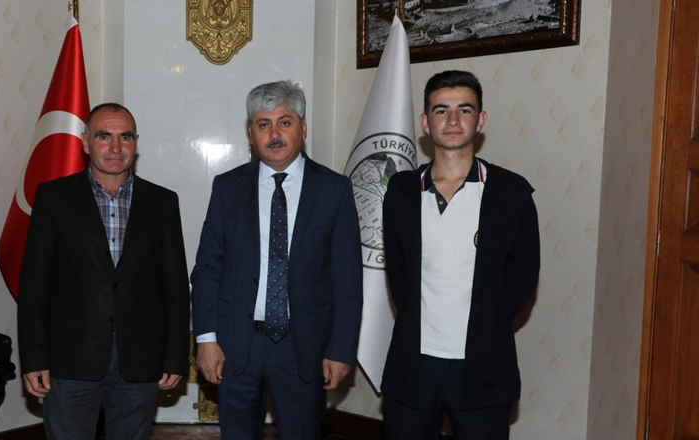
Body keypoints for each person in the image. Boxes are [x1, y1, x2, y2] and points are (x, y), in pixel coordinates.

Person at [190, 80, 363, 439]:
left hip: (304, 349)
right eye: (263, 124)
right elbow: (207, 268)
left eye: (284, 122)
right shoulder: (227, 188)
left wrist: (342, 350)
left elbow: (347, 279)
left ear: (303, 128)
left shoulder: (334, 190)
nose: (274, 134)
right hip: (237, 346)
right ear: (250, 133)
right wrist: (205, 339)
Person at [381, 70, 540, 439]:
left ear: (480, 120)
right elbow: (398, 275)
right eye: (441, 110)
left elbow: (524, 278)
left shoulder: (512, 193)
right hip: (413, 366)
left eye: (464, 110)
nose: (452, 120)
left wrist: (488, 321)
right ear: (425, 123)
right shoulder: (401, 193)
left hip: (485, 368)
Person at [17, 103, 191, 440]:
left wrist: (175, 357)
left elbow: (175, 288)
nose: (115, 148)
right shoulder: (53, 198)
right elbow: (34, 285)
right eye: (104, 136)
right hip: (69, 361)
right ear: (85, 142)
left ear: (136, 143)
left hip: (140, 360)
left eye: (125, 137)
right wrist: (34, 358)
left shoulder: (163, 202)